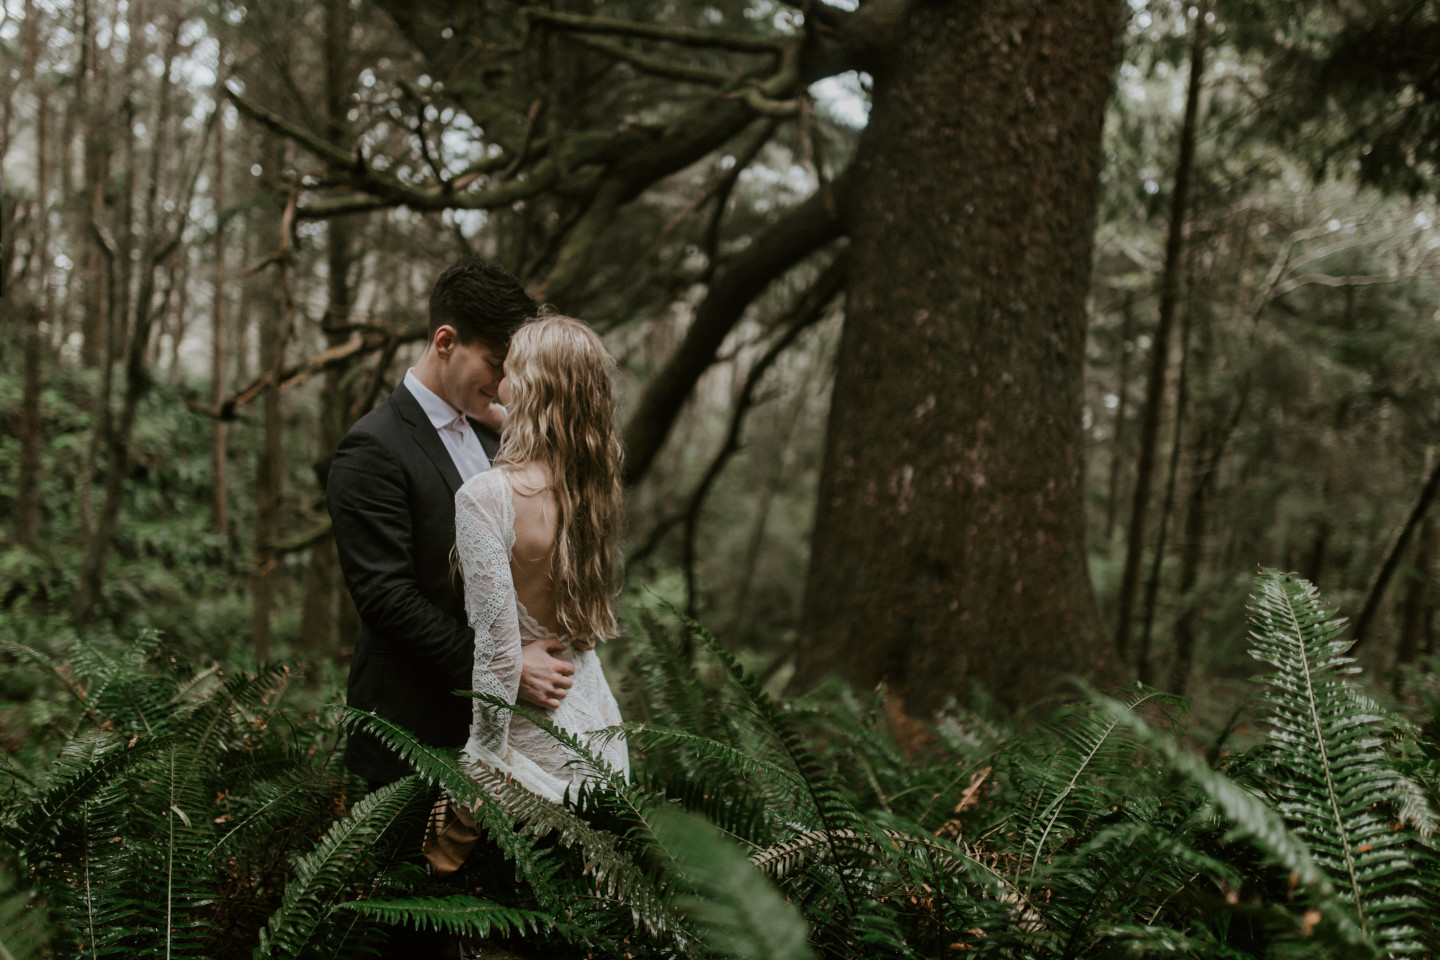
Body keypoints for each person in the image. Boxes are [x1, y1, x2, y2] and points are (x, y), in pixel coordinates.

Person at [326, 256, 576, 792]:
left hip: (501, 740)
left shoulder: (497, 436)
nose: (507, 382)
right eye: (495, 363)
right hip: (411, 729)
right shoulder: (372, 448)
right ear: (445, 342)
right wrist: (505, 669)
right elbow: (387, 599)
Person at [455, 314, 629, 802]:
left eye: (508, 371)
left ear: (529, 388)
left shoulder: (486, 497)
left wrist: (481, 763)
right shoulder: (590, 490)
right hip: (598, 733)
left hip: (533, 755)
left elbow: (499, 654)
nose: (498, 383)